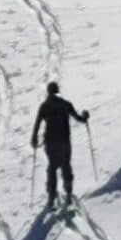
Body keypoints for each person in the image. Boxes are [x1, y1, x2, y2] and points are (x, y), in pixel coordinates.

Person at [31, 81, 90, 210]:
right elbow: (79, 118)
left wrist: (34, 138)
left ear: (48, 91)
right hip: (64, 141)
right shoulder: (66, 104)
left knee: (52, 167)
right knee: (65, 164)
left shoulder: (44, 106)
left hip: (51, 142)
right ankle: (68, 192)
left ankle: (51, 197)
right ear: (57, 91)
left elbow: (37, 124)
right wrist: (85, 117)